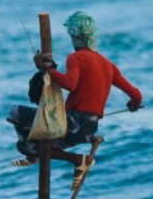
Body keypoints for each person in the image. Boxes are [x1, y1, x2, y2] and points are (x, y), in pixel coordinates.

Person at [8, 11, 141, 187]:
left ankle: (75, 159)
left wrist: (46, 70)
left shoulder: (76, 57)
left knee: (16, 113)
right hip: (88, 128)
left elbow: (70, 84)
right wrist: (133, 104)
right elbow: (136, 95)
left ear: (76, 36)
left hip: (71, 122)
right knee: (28, 146)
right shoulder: (109, 65)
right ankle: (37, 154)